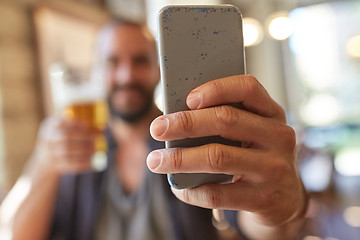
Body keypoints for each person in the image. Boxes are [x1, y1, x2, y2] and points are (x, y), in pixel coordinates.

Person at [0, 19, 308, 240]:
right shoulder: (76, 152)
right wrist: (40, 165)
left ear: (159, 70)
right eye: (112, 62)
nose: (126, 75)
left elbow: (257, 227)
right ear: (96, 72)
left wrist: (279, 208)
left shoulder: (195, 137)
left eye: (140, 61)